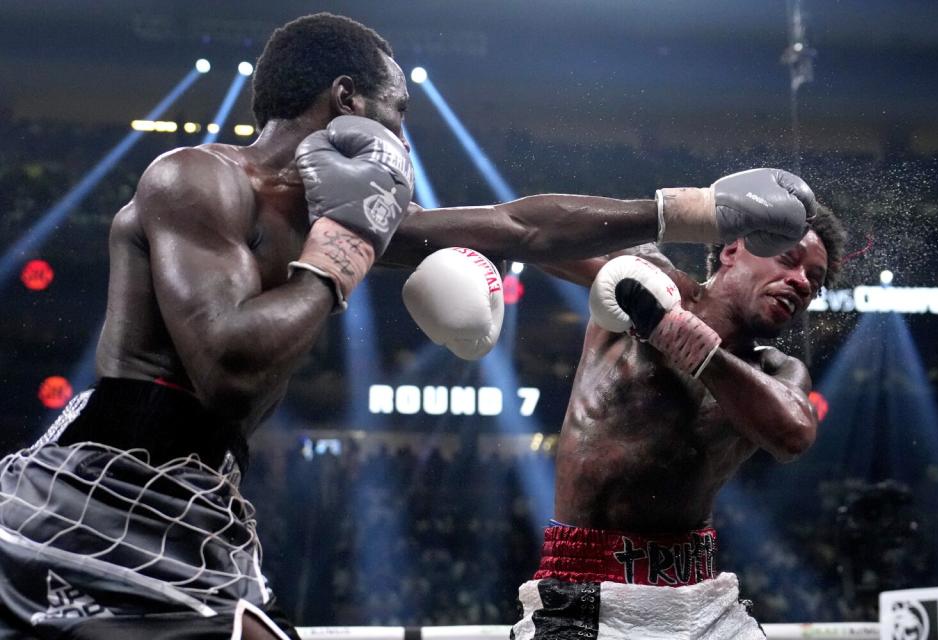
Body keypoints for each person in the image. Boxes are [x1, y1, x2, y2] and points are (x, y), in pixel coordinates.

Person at [0, 11, 822, 640]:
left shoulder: (334, 208)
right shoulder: (196, 178)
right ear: (347, 103)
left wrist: (697, 210)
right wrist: (342, 250)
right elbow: (228, 365)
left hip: (205, 491)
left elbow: (521, 227)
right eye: (397, 113)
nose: (402, 137)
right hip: (108, 483)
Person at [510, 195, 846, 639]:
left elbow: (793, 434)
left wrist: (685, 339)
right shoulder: (649, 278)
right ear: (730, 250)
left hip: (703, 596)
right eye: (789, 259)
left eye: (814, 279)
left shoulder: (778, 371)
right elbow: (540, 239)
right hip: (589, 591)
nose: (801, 281)